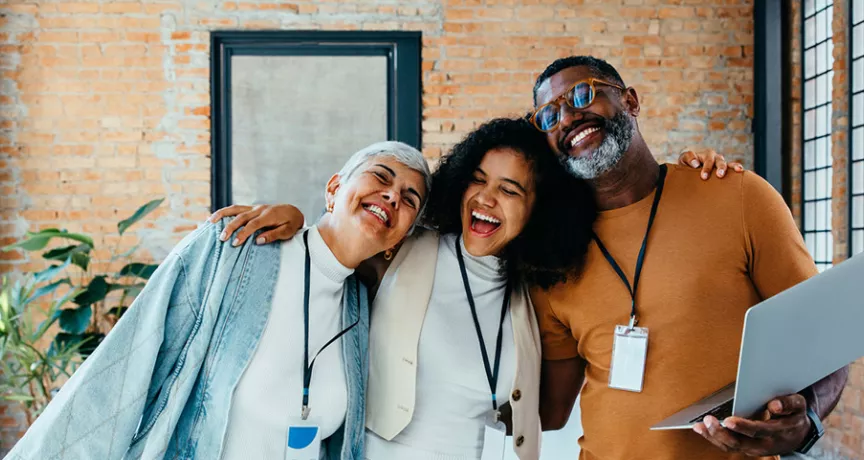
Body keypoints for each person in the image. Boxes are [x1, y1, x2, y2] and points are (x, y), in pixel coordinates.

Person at [212, 121, 736, 460]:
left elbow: (549, 414)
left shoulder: (541, 291)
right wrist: (294, 211)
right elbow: (346, 227)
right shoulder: (401, 248)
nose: (487, 199)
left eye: (510, 190)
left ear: (538, 210)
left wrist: (691, 172)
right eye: (479, 180)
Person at [5, 141, 431, 460]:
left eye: (410, 198)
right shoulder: (233, 248)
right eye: (381, 177)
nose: (394, 196)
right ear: (334, 188)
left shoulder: (362, 308)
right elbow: (123, 364)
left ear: (401, 237)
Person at [529, 55, 849, 460]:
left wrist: (808, 421)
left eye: (582, 94)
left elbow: (825, 340)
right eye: (548, 115)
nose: (568, 117)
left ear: (630, 100)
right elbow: (549, 411)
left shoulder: (737, 196)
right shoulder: (553, 255)